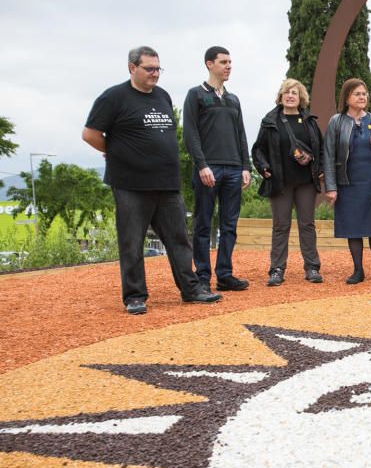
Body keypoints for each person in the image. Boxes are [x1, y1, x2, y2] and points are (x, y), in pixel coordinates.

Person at [82, 46, 221, 315]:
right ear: (132, 68)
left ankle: (191, 290)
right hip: (131, 184)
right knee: (132, 242)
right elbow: (90, 134)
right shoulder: (114, 97)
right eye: (149, 68)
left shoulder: (162, 96)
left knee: (179, 239)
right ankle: (135, 296)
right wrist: (115, 151)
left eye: (158, 68)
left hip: (167, 183)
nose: (155, 74)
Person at [182, 46, 252, 291]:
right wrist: (202, 165)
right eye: (224, 62)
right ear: (209, 64)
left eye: (230, 62)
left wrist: (246, 166)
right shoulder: (196, 95)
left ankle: (224, 274)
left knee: (229, 225)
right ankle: (202, 277)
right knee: (202, 223)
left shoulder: (233, 99)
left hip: (234, 169)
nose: (229, 66)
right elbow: (190, 135)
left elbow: (241, 134)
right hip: (208, 171)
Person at [251, 78, 331, 287]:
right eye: (286, 92)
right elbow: (258, 149)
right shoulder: (270, 121)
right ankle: (277, 269)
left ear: (300, 97)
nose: (290, 96)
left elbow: (321, 149)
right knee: (281, 226)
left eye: (294, 93)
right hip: (280, 182)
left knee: (307, 224)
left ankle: (312, 267)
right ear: (280, 96)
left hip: (305, 182)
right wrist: (263, 167)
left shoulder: (309, 122)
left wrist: (321, 169)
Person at [323, 78, 371, 284]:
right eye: (357, 94)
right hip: (347, 184)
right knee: (352, 228)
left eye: (364, 94)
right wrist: (330, 187)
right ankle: (358, 271)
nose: (363, 97)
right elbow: (327, 155)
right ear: (347, 98)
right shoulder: (336, 121)